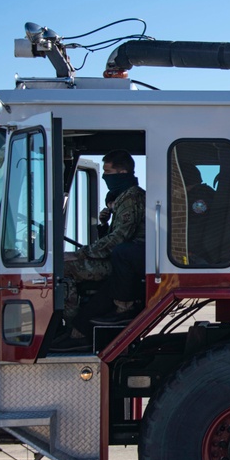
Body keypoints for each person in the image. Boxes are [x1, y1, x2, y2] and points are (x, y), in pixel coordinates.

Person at [53, 150, 145, 350]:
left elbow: (119, 239)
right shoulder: (122, 198)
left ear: (122, 172)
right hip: (120, 259)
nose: (104, 176)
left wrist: (81, 254)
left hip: (125, 263)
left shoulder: (131, 198)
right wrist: (104, 224)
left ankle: (74, 332)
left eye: (107, 171)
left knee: (63, 270)